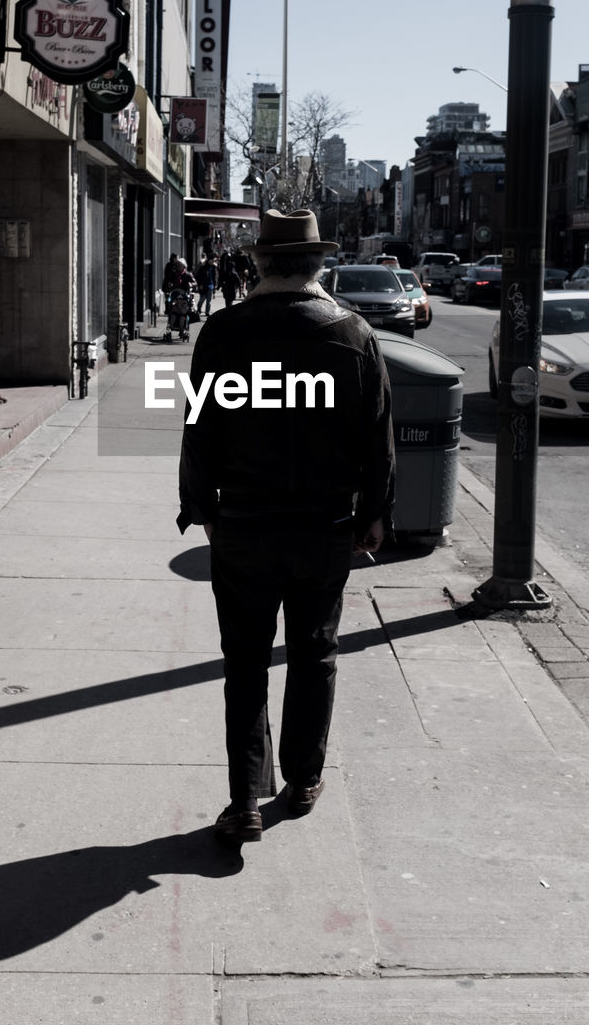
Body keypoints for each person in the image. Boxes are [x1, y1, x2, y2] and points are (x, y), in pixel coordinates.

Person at [177, 209, 395, 846]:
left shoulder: (222, 332)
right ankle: (302, 780)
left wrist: (204, 511)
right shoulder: (354, 336)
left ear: (261, 264)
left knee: (244, 663)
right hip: (323, 527)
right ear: (318, 265)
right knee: (314, 652)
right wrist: (375, 513)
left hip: (245, 522)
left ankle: (244, 797)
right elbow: (377, 435)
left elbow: (199, 432)